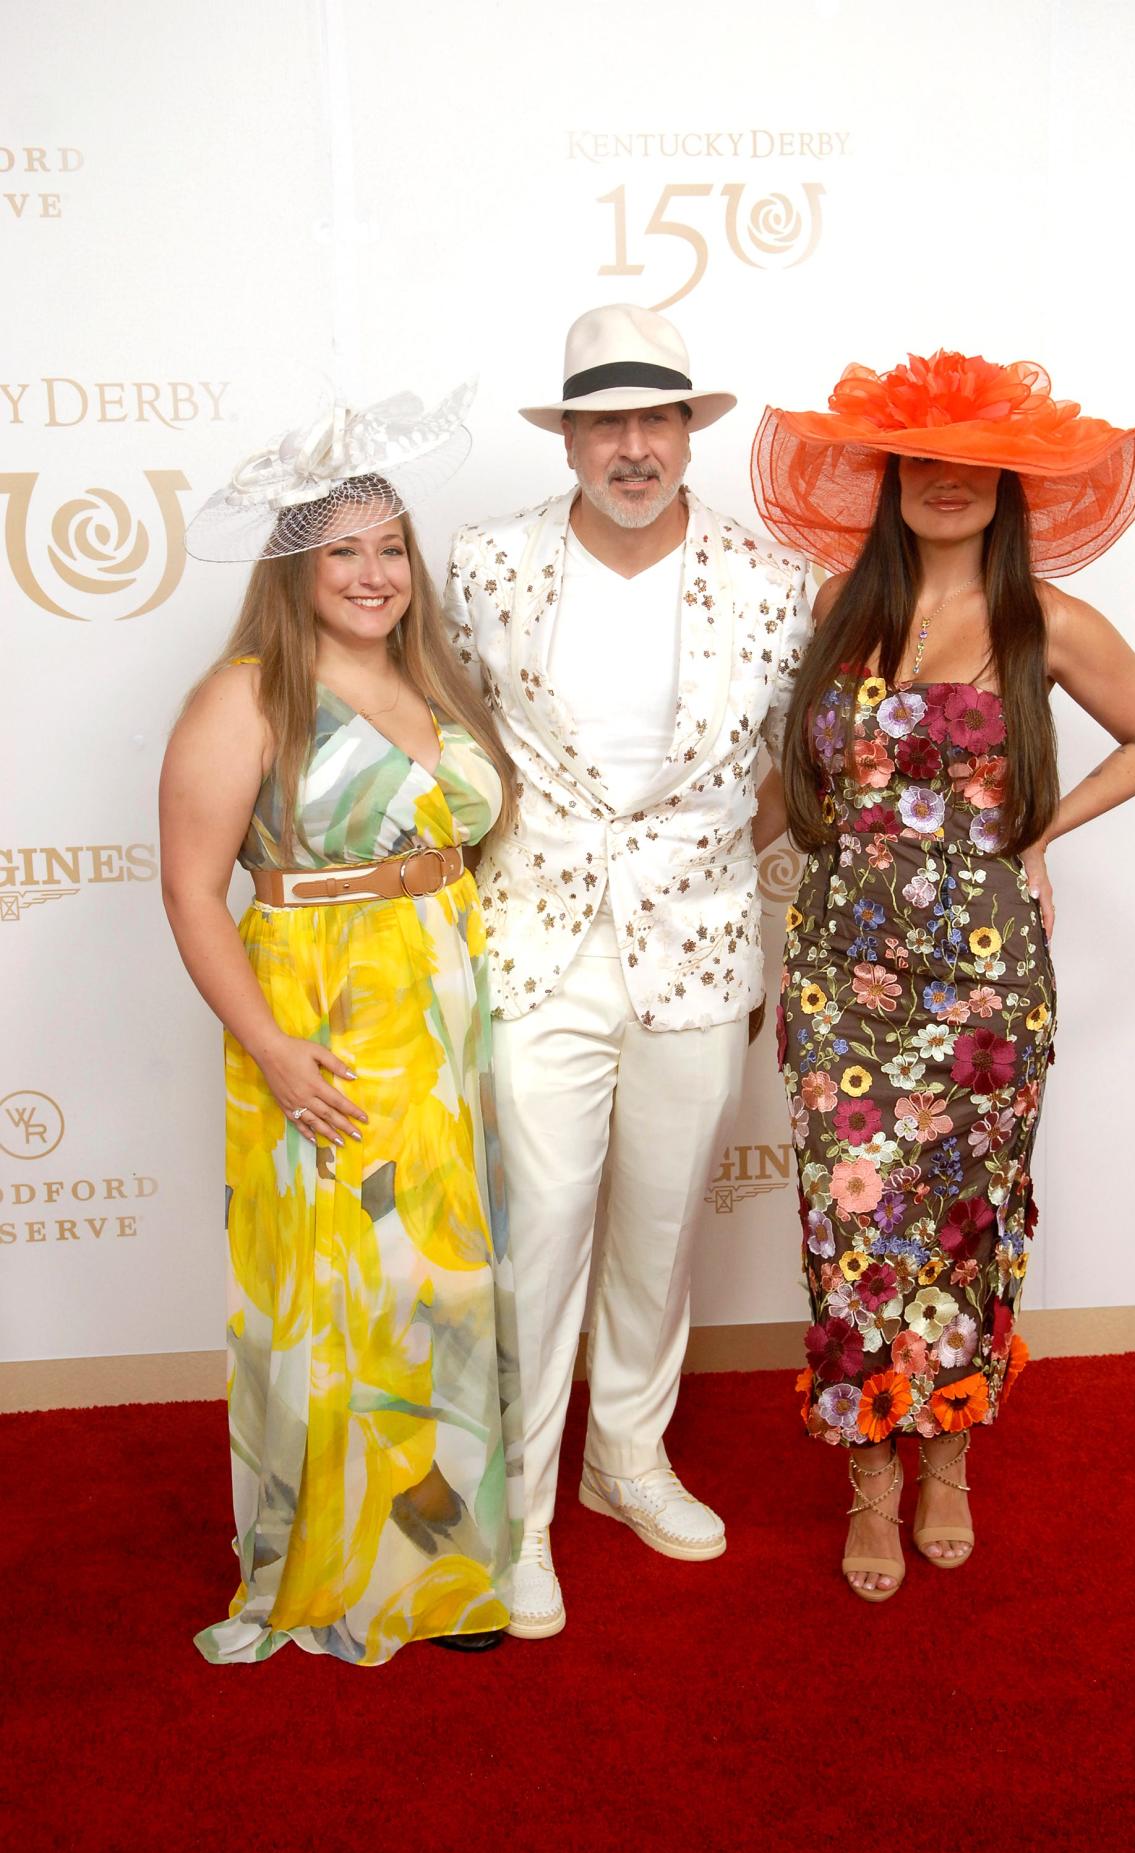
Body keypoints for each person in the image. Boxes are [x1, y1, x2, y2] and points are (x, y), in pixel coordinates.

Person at [750, 350, 1135, 1601]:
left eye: (974, 463)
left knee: (959, 1218)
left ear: (1010, 482)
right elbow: (797, 788)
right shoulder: (841, 606)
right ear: (890, 478)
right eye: (922, 460)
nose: (947, 481)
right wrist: (694, 874)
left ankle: (947, 1461)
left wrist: (1040, 829)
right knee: (849, 1224)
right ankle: (868, 1480)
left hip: (985, 985)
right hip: (838, 970)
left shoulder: (1049, 620)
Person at [442, 304, 812, 1636]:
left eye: (655, 419)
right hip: (531, 945)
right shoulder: (482, 566)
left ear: (687, 432)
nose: (632, 447)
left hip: (698, 948)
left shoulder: (772, 581)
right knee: (538, 1233)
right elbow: (445, 727)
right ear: (571, 439)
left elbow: (787, 770)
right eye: (606, 423)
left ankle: (627, 1462)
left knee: (655, 1233)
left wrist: (696, 859)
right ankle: (520, 1509)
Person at [161, 390, 523, 1662]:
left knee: (443, 1288)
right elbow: (193, 890)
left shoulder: (437, 679)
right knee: (348, 1291)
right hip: (319, 1017)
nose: (374, 574)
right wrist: (270, 1046)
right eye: (341, 552)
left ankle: (445, 1571)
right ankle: (338, 1568)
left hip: (447, 1011)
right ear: (293, 568)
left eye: (390, 548)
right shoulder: (246, 693)